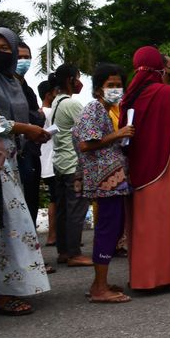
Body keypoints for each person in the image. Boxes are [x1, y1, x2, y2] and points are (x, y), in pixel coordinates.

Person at [121, 46, 170, 291]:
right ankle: (166, 277)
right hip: (164, 162)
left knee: (142, 225)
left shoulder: (128, 97)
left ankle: (142, 278)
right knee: (165, 221)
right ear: (159, 67)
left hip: (136, 166)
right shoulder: (168, 93)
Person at [0, 29, 51, 317]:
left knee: (10, 225)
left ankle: (8, 287)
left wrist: (30, 133)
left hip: (11, 160)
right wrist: (24, 128)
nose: (0, 51)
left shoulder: (13, 81)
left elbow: (25, 114)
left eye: (5, 47)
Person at [72, 64, 133, 303]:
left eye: (119, 85)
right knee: (108, 230)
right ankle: (99, 287)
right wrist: (117, 135)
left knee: (113, 228)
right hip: (104, 181)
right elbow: (87, 144)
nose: (116, 89)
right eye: (111, 85)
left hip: (113, 180)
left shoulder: (107, 110)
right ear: (99, 89)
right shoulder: (94, 109)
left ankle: (100, 281)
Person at [49, 63, 93, 267]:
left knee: (63, 209)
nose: (80, 82)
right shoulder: (72, 104)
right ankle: (74, 253)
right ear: (70, 80)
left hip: (60, 162)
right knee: (76, 208)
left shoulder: (57, 102)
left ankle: (64, 251)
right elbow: (88, 129)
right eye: (78, 77)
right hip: (74, 164)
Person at [14, 42, 45, 228]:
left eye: (26, 57)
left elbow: (35, 116)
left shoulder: (27, 88)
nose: (23, 61)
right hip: (15, 151)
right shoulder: (1, 84)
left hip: (30, 151)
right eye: (19, 57)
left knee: (31, 198)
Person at [37, 80, 58, 246]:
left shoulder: (38, 113)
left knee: (53, 199)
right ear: (48, 94)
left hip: (44, 163)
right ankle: (53, 235)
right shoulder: (51, 112)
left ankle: (54, 234)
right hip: (53, 162)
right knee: (57, 200)